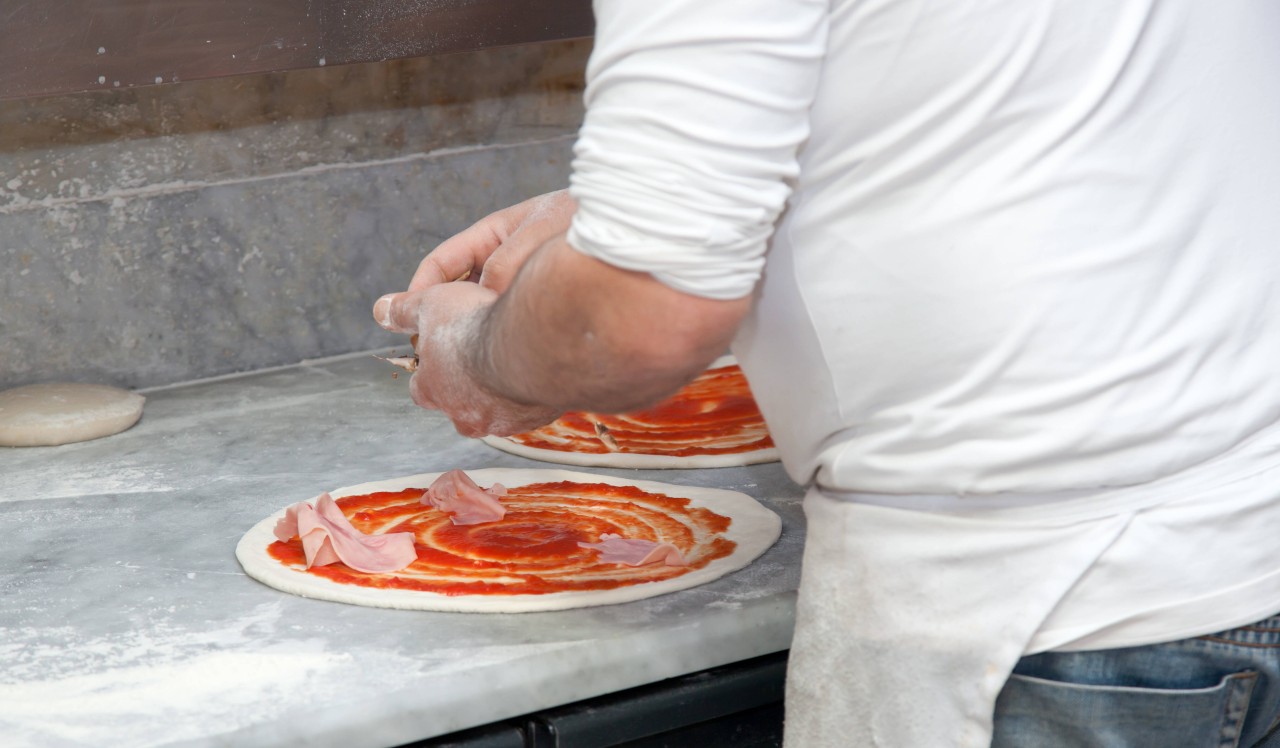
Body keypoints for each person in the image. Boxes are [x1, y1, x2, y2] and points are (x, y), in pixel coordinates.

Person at [372, 0, 1280, 744]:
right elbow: (998, 86)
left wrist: (484, 354)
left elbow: (641, 321)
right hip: (1232, 540)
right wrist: (641, 210)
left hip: (1044, 615)